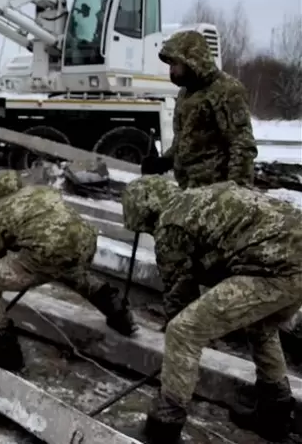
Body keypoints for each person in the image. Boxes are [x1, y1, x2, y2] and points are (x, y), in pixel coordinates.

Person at [121, 176, 302, 443]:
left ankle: (163, 428)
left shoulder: (169, 225)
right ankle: (273, 415)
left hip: (276, 267)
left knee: (183, 331)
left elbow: (179, 298)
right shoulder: (192, 200)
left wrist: (177, 359)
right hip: (291, 255)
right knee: (260, 325)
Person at [0, 170, 137, 372]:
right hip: (85, 242)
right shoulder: (42, 191)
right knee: (68, 270)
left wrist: (1, 264)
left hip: (46, 251)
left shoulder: (1, 209)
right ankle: (120, 316)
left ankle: (10, 355)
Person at [141, 30, 258, 189]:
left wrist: (236, 192)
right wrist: (164, 162)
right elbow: (184, 141)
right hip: (190, 189)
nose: (171, 71)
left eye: (175, 64)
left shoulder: (226, 90)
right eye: (170, 65)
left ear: (191, 61)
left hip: (215, 191)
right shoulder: (186, 93)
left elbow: (242, 144)